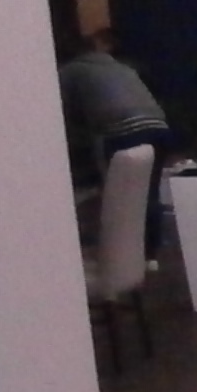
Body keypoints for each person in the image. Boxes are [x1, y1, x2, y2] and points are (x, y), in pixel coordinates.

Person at [58, 27, 173, 257]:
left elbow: (61, 113)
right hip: (159, 127)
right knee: (148, 191)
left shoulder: (70, 71)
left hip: (123, 131)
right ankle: (151, 252)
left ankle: (121, 253)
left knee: (119, 196)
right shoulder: (122, 67)